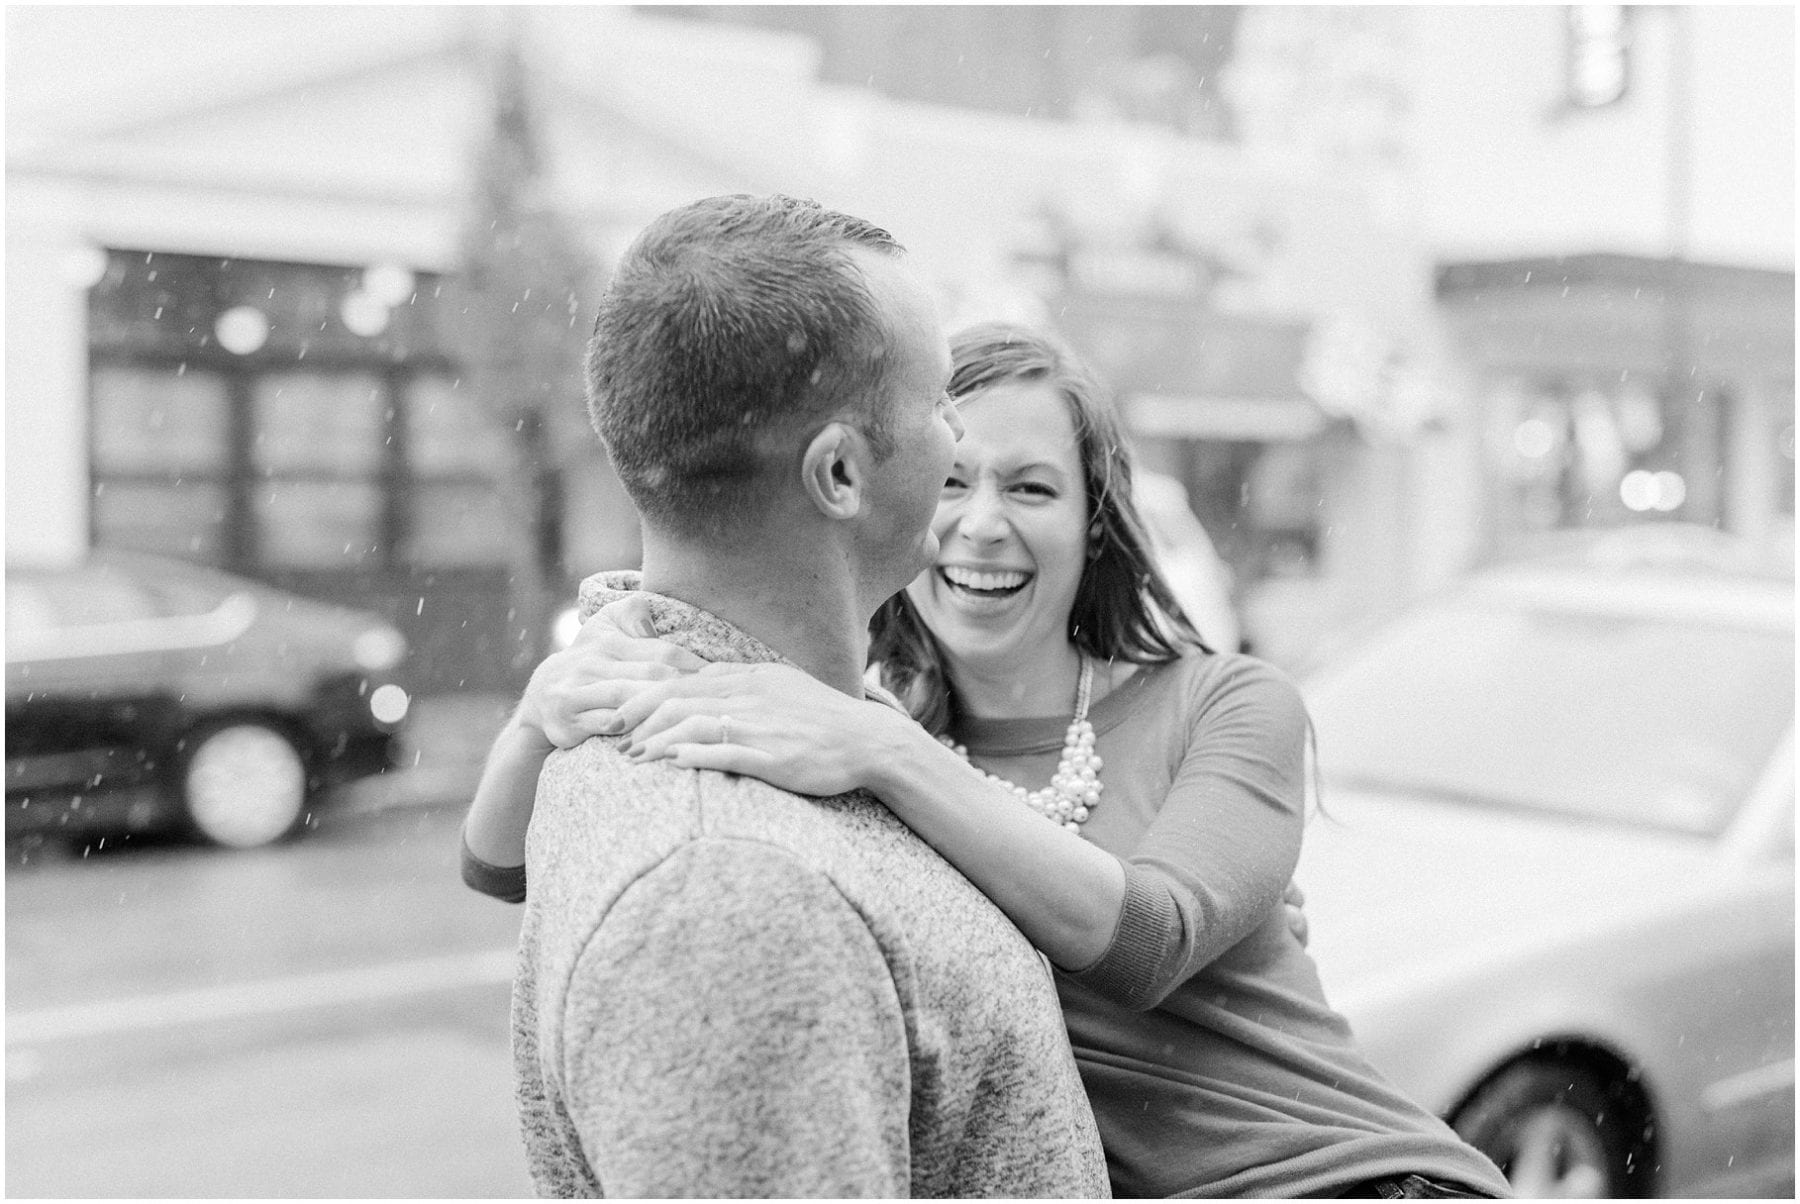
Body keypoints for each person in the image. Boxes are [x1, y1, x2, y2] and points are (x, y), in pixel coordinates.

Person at [466, 319, 1511, 1198]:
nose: (981, 525)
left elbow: (1147, 941)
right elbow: (513, 866)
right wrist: (539, 719)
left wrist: (885, 750)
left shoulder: (1225, 703)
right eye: (954, 479)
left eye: (1031, 489)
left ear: (1097, 522)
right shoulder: (856, 724)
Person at [483, 196, 1111, 1198]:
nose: (958, 441)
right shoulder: (735, 897)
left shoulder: (754, 711)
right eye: (940, 404)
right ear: (840, 473)